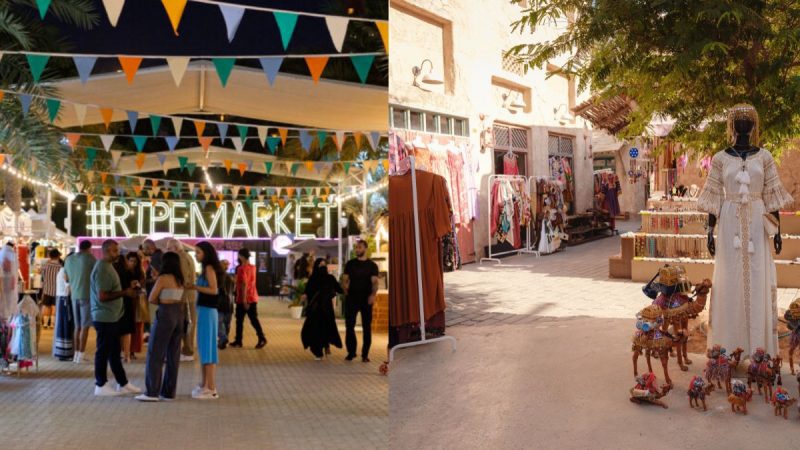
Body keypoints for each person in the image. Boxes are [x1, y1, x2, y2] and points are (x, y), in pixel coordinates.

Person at [90, 240, 141, 396]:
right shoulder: (103, 268)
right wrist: (124, 293)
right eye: (114, 250)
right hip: (104, 316)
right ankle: (100, 384)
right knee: (103, 351)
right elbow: (103, 296)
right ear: (106, 251)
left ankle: (122, 382)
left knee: (113, 351)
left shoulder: (108, 267)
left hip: (111, 316)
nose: (117, 253)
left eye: (117, 250)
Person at [135, 252, 185, 402]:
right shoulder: (180, 280)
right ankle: (169, 392)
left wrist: (162, 302)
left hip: (165, 314)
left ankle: (152, 392)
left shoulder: (163, 278)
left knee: (155, 353)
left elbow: (152, 298)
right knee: (173, 355)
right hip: (179, 315)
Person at [186, 241, 222, 400]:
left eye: (198, 252)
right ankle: (204, 384)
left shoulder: (208, 268)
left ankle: (211, 387)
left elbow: (213, 290)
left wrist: (194, 287)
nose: (196, 255)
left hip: (208, 311)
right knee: (205, 348)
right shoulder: (207, 268)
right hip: (206, 311)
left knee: (207, 349)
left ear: (206, 253)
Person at [343, 240, 380, 362]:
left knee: (366, 327)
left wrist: (373, 295)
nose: (357, 250)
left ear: (365, 249)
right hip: (352, 298)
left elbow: (374, 281)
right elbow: (345, 279)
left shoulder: (372, 266)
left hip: (366, 299)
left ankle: (365, 354)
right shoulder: (350, 264)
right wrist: (345, 288)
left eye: (359, 247)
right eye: (356, 248)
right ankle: (351, 352)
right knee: (349, 326)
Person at [301, 258, 343, 360]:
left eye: (324, 265)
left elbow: (339, 289)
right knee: (314, 329)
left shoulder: (330, 278)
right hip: (315, 310)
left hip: (326, 310)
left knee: (325, 328)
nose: (323, 267)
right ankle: (318, 351)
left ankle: (325, 345)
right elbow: (307, 291)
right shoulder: (312, 279)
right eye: (320, 265)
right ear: (316, 266)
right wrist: (304, 296)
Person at [63, 240, 96, 363]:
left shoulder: (69, 259)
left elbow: (65, 277)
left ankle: (76, 355)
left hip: (74, 296)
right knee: (85, 326)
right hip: (86, 294)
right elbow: (96, 274)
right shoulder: (90, 258)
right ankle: (81, 355)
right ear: (89, 248)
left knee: (77, 326)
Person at [165, 239, 198, 362]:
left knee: (186, 323)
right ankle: (187, 350)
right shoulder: (187, 256)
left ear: (175, 248)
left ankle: (188, 351)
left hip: (185, 296)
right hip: (188, 295)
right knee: (187, 323)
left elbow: (183, 278)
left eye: (169, 249)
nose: (167, 252)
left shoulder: (181, 258)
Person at [230, 248, 266, 349]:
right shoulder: (253, 267)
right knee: (253, 319)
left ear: (241, 256)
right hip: (253, 296)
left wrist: (244, 300)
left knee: (240, 320)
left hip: (244, 298)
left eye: (239, 255)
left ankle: (239, 341)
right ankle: (260, 338)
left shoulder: (242, 268)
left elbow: (244, 284)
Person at [114, 251, 142, 363]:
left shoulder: (113, 272)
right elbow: (134, 289)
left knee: (118, 330)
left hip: (117, 303)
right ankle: (126, 356)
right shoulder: (129, 273)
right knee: (126, 331)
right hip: (128, 302)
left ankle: (120, 354)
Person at [125, 252, 146, 359]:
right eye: (131, 260)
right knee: (127, 326)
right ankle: (126, 350)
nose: (132, 263)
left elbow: (143, 285)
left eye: (135, 261)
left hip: (137, 301)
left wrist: (139, 285)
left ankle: (132, 350)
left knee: (136, 326)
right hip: (126, 301)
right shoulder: (123, 271)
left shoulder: (140, 272)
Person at [52, 260, 74, 361]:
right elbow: (68, 286)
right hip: (64, 300)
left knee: (63, 325)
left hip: (61, 300)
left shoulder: (61, 271)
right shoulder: (64, 272)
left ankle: (64, 352)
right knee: (65, 325)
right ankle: (65, 352)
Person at [142, 239, 163, 336]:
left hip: (154, 292)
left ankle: (153, 335)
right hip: (159, 292)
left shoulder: (155, 258)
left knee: (153, 316)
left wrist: (145, 281)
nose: (144, 252)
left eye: (144, 249)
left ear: (148, 248)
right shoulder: (160, 255)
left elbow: (156, 277)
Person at [39, 249, 61, 329]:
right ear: (58, 256)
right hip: (57, 290)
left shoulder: (45, 265)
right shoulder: (60, 267)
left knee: (47, 306)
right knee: (54, 307)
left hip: (47, 289)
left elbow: (39, 272)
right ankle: (52, 324)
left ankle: (45, 324)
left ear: (50, 256)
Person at [218, 260, 236, 350]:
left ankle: (223, 339)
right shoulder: (230, 277)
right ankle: (223, 339)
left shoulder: (220, 277)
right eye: (225, 264)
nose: (226, 266)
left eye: (227, 264)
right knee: (225, 323)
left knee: (220, 323)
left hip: (222, 303)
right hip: (228, 304)